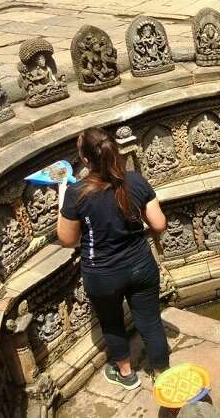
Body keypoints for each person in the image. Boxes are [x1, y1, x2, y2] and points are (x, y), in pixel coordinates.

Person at [57, 127, 169, 390]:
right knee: (151, 320)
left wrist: (63, 196)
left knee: (112, 323)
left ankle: (126, 374)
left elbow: (67, 239)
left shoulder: (77, 194)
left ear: (85, 160)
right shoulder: (135, 181)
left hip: (102, 272)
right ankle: (162, 373)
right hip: (141, 265)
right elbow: (160, 223)